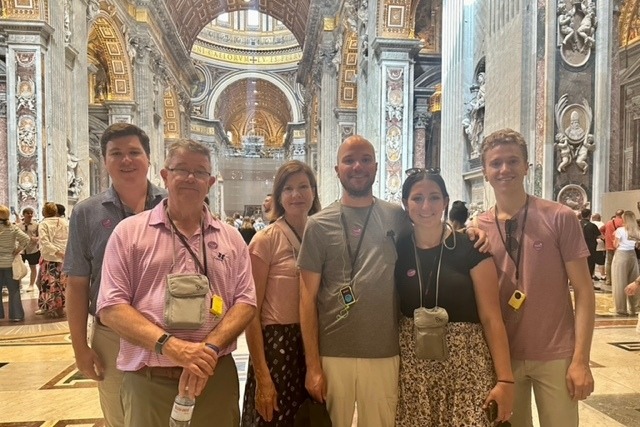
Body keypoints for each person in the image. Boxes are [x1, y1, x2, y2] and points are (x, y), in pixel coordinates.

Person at [297, 135, 488, 426]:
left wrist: (470, 231)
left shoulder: (397, 217)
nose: (357, 166)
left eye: (364, 159)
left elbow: (431, 228)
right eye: (349, 160)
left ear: (375, 167)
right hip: (333, 353)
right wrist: (312, 366)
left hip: (385, 352)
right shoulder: (318, 224)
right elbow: (306, 299)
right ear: (337, 169)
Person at [97, 139, 256, 426]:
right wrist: (171, 347)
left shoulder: (231, 238)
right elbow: (111, 307)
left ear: (211, 182)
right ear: (165, 176)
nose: (191, 178)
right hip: (150, 380)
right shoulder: (129, 233)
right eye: (181, 169)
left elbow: (245, 302)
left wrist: (208, 348)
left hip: (214, 377)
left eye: (200, 172)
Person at [475, 129, 595, 426]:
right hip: (504, 359)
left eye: (513, 161)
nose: (505, 169)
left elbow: (584, 291)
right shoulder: (478, 227)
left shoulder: (560, 217)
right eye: (496, 163)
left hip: (555, 354)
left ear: (527, 167)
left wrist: (581, 360)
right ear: (485, 172)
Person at [64, 123, 166, 427]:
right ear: (105, 160)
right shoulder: (86, 213)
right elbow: (78, 284)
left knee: (171, 414)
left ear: (149, 158)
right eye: (116, 153)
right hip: (112, 336)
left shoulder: (173, 204)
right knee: (120, 418)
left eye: (134, 152)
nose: (126, 160)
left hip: (167, 332)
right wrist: (80, 347)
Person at [395, 170, 513, 426]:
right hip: (415, 372)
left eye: (434, 197)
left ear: (446, 201)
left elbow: (492, 317)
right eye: (417, 198)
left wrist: (505, 380)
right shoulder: (397, 249)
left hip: (466, 368)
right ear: (405, 204)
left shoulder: (471, 247)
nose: (426, 206)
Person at [242, 160, 322, 426]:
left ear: (314, 191)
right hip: (277, 348)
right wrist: (262, 375)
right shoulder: (265, 240)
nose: (296, 195)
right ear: (278, 196)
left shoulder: (321, 235)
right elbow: (250, 312)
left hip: (314, 344)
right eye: (288, 189)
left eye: (303, 187)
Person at [37, 202, 69, 318]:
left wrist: (57, 251)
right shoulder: (65, 222)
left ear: (44, 211)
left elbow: (45, 242)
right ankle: (61, 307)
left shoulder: (43, 224)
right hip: (64, 257)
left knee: (48, 284)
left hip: (51, 257)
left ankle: (50, 308)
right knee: (61, 283)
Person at [0, 205, 30, 322]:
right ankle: (16, 315)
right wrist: (18, 249)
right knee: (14, 290)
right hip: (10, 263)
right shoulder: (12, 228)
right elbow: (26, 239)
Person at [611, 210, 640, 316]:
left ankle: (621, 309)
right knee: (633, 281)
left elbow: (615, 245)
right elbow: (637, 246)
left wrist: (614, 238)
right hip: (632, 256)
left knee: (619, 282)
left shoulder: (620, 230)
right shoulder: (637, 231)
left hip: (621, 255)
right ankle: (635, 308)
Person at [601, 210, 624, 292]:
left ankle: (608, 280)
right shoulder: (623, 222)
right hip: (619, 246)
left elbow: (601, 229)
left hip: (609, 245)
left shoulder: (609, 222)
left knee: (608, 263)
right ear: (622, 215)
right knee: (618, 263)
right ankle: (616, 280)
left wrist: (605, 236)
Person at [19, 207, 40, 291]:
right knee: (19, 268)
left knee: (33, 267)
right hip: (21, 250)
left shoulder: (36, 225)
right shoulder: (18, 225)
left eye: (31, 213)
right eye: (28, 213)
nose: (30, 215)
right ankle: (19, 283)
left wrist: (36, 238)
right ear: (23, 214)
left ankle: (31, 285)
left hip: (33, 249)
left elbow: (40, 236)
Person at [579, 208, 601, 283]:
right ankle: (588, 281)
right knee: (590, 265)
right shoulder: (592, 225)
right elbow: (599, 236)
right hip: (590, 248)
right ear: (589, 215)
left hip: (578, 247)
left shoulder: (577, 224)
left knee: (579, 264)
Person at [590, 213, 606, 280]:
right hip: (600, 243)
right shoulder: (602, 224)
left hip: (591, 244)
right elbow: (603, 234)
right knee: (601, 260)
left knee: (592, 260)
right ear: (599, 218)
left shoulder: (590, 224)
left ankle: (592, 274)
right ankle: (602, 275)